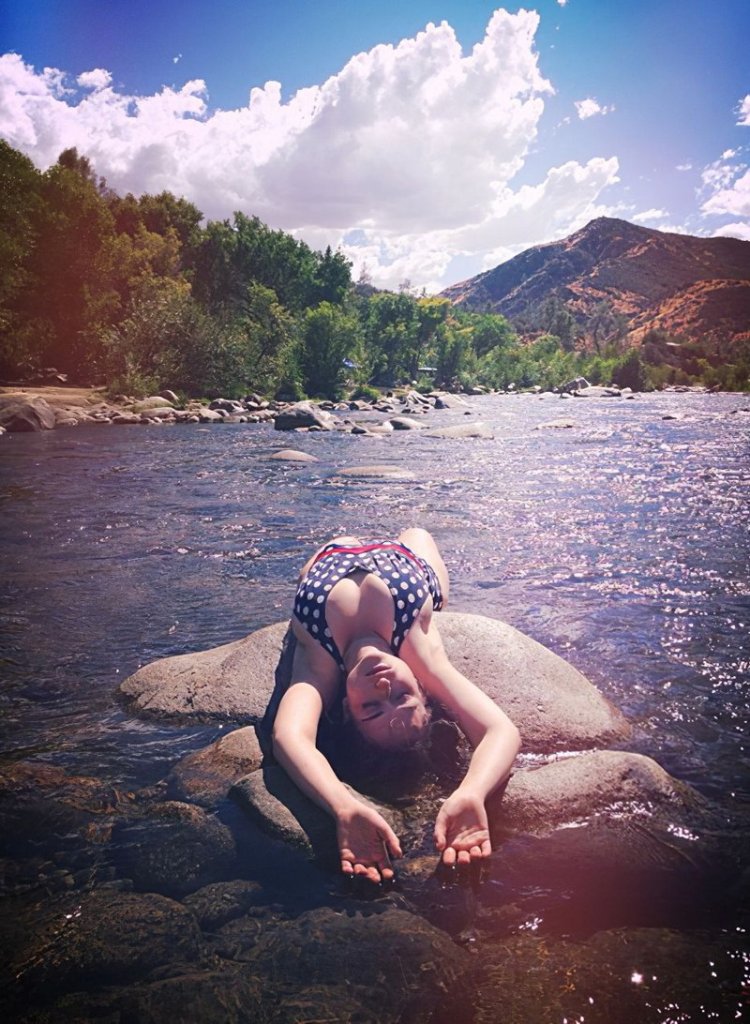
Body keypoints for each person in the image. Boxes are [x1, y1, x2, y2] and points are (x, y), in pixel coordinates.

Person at [268, 527, 521, 884]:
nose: (383, 685)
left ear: (343, 709)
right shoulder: (422, 658)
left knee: (334, 544)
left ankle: (343, 545)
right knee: (418, 532)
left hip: (330, 560)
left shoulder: (319, 663)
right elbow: (501, 730)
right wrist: (472, 791)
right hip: (408, 564)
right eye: (402, 697)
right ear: (422, 688)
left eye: (371, 707)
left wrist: (342, 806)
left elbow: (288, 737)